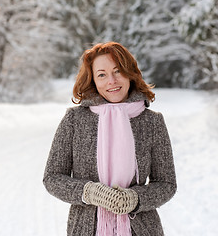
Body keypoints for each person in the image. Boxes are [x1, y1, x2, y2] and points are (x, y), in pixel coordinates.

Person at [43, 42, 177, 236]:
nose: (111, 81)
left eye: (118, 71)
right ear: (93, 81)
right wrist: (89, 192)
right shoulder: (74, 120)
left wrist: (135, 198)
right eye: (102, 75)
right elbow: (52, 177)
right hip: (86, 229)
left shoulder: (152, 122)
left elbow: (167, 183)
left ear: (130, 73)